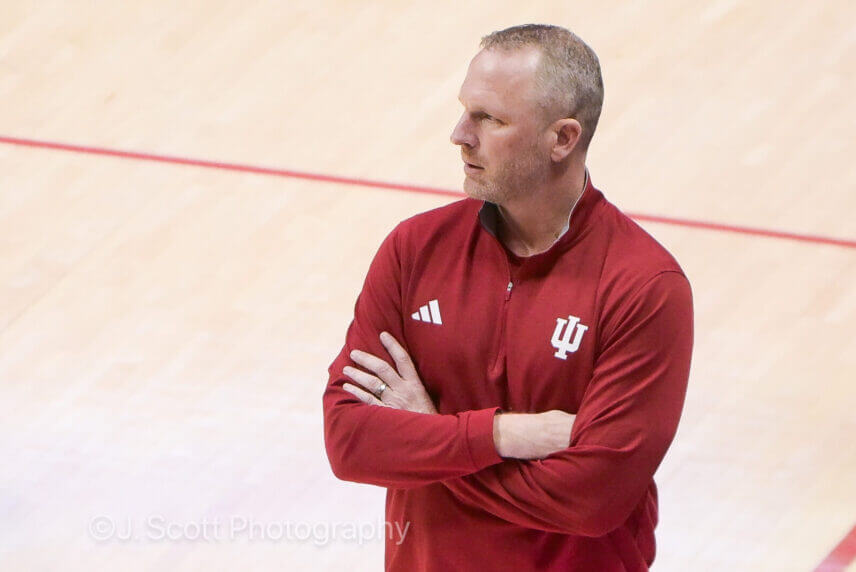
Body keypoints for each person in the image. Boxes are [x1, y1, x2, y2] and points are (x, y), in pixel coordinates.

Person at [322, 23, 693, 572]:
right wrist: (503, 434)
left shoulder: (644, 287)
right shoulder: (414, 249)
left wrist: (432, 434)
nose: (459, 134)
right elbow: (349, 440)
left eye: (489, 119)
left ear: (562, 138)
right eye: (465, 110)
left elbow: (592, 499)